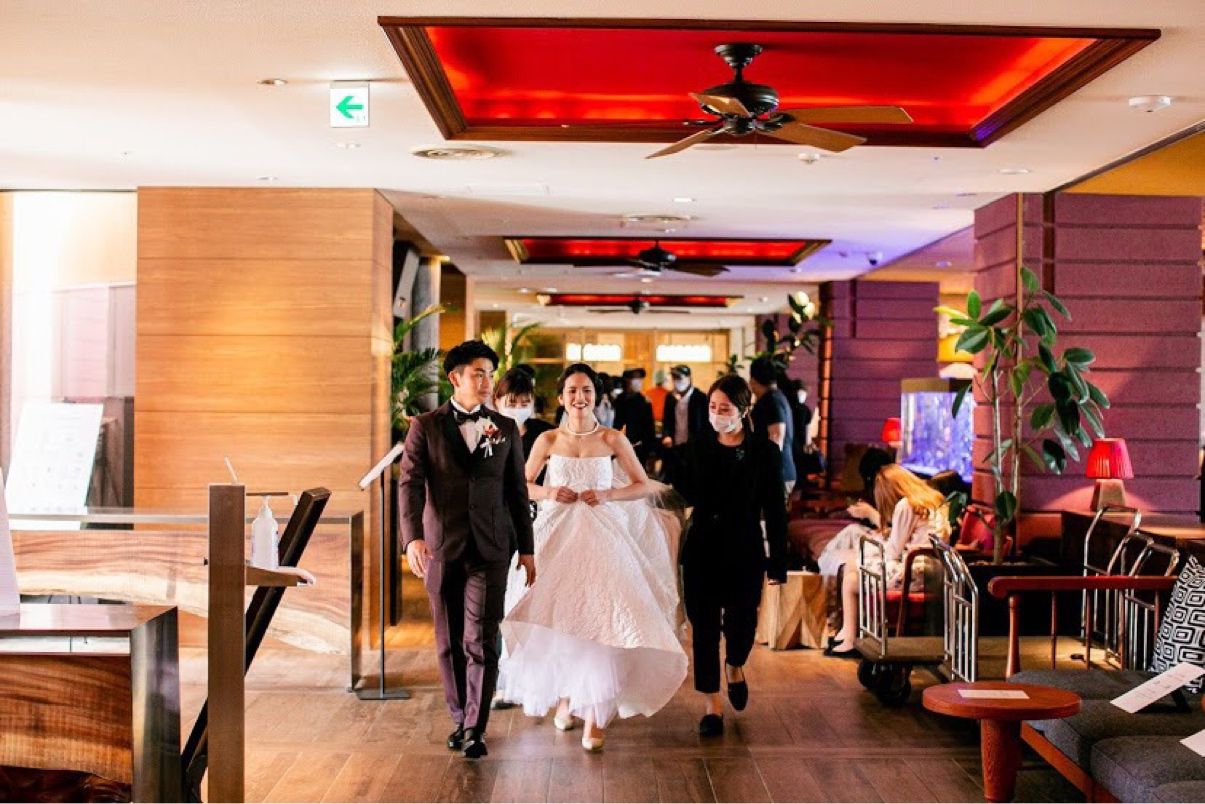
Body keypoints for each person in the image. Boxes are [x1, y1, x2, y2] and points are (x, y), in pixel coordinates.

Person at [498, 363, 687, 752]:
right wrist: (550, 493)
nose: (579, 398)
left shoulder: (612, 439)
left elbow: (641, 484)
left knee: (604, 619)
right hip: (557, 534)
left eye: (586, 391)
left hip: (603, 534)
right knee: (561, 620)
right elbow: (521, 485)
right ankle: (567, 698)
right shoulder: (548, 439)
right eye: (572, 391)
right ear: (561, 397)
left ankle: (595, 718)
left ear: (596, 396)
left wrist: (607, 495)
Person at [398, 340, 536, 760]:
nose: (487, 381)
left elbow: (516, 491)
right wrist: (412, 538)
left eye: (490, 374)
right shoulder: (425, 426)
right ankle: (460, 716)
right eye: (479, 373)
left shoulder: (504, 428)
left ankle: (476, 726)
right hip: (442, 547)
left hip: (491, 547)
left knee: (482, 638)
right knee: (449, 639)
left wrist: (527, 549)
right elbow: (409, 484)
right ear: (455, 378)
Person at [673, 374, 787, 737]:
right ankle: (712, 704)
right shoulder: (698, 445)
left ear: (743, 410)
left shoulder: (764, 452)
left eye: (725, 408)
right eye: (712, 407)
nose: (717, 414)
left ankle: (735, 664)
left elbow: (776, 509)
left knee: (743, 623)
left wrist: (778, 562)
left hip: (744, 548)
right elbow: (686, 492)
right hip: (703, 548)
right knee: (704, 628)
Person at [826, 464, 949, 657]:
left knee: (851, 576)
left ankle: (848, 637)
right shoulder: (934, 501)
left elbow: (893, 551)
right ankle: (848, 632)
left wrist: (876, 548)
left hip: (913, 573)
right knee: (854, 567)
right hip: (933, 571)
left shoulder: (906, 505)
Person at [748, 357, 796, 498]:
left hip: (776, 474)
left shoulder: (771, 401)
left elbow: (776, 437)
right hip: (779, 472)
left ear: (753, 381)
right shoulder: (776, 397)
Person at [659, 364, 709, 482]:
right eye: (674, 378)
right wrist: (666, 435)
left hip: (693, 448)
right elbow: (666, 421)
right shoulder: (670, 397)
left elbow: (705, 425)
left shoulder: (700, 398)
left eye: (679, 378)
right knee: (674, 480)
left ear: (689, 378)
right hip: (674, 446)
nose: (676, 381)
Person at [612, 367, 656, 466]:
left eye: (640, 378)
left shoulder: (644, 402)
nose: (639, 381)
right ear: (626, 380)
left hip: (638, 450)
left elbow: (650, 429)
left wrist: (651, 452)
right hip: (617, 449)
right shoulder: (617, 401)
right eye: (635, 378)